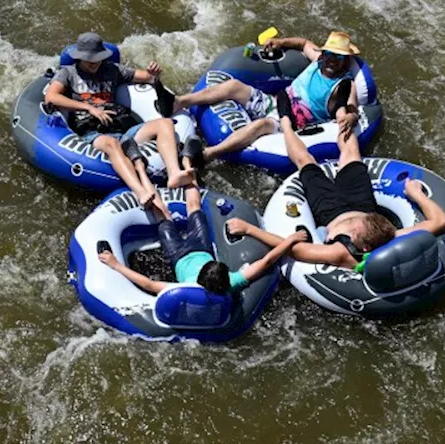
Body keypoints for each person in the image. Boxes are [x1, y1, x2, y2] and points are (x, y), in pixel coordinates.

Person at [225, 107, 445, 271]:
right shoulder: (393, 235)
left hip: (329, 210)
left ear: (365, 247)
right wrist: (416, 194)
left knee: (306, 162)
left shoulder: (342, 253)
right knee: (352, 155)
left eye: (355, 233)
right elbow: (440, 222)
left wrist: (249, 229)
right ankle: (342, 117)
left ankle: (285, 126)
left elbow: (297, 250)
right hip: (362, 203)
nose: (352, 229)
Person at [98, 151, 308, 298]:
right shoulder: (232, 283)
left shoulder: (191, 288)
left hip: (179, 253)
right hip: (201, 246)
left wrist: (116, 264)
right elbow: (268, 261)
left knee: (161, 212)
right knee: (192, 206)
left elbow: (149, 285)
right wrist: (291, 240)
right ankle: (187, 166)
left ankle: (140, 168)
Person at [45, 32, 193, 206]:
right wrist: (89, 108)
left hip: (121, 128)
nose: (94, 63)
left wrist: (153, 72)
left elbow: (146, 77)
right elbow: (51, 96)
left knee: (165, 123)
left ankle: (174, 173)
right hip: (92, 131)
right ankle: (140, 192)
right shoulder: (68, 73)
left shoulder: (112, 69)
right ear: (79, 57)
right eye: (89, 59)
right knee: (111, 144)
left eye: (97, 58)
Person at [171, 30, 365, 159]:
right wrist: (280, 42)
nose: (332, 60)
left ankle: (207, 154)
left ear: (346, 60)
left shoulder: (344, 84)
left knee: (261, 125)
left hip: (291, 121)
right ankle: (179, 102)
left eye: (338, 57)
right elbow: (303, 43)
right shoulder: (317, 61)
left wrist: (350, 117)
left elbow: (350, 109)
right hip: (275, 101)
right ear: (323, 54)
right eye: (330, 54)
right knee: (233, 86)